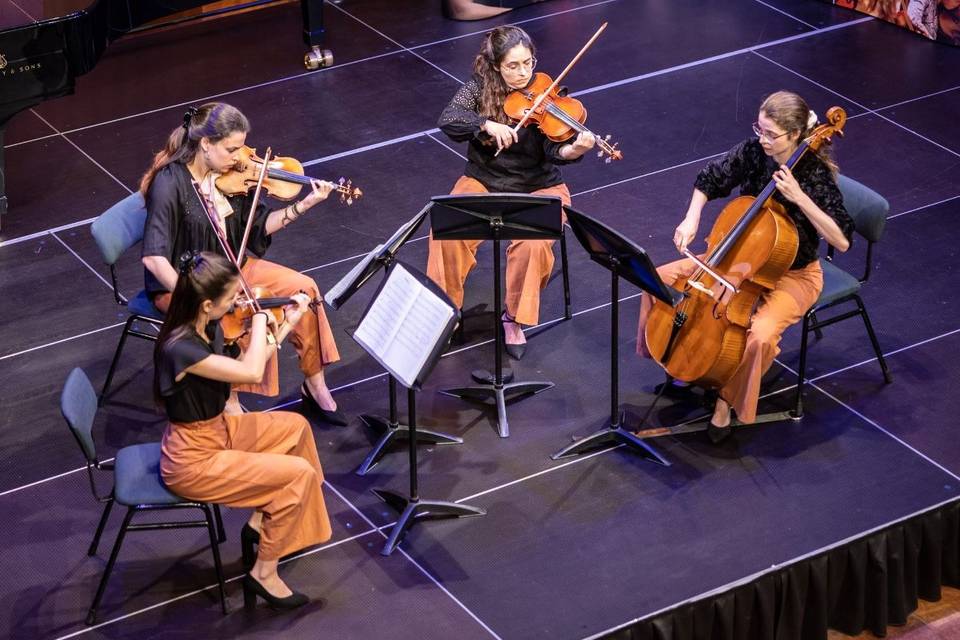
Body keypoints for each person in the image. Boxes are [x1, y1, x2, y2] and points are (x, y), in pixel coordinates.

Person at [636, 91, 855, 443]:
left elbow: (842, 240)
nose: (763, 139)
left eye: (771, 134)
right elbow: (709, 178)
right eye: (760, 129)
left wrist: (800, 197)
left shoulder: (814, 176)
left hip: (793, 274)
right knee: (658, 279)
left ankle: (726, 401)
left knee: (761, 335)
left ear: (796, 134)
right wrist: (691, 219)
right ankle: (675, 360)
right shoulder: (754, 151)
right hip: (735, 257)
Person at [141, 102, 345, 425]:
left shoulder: (229, 180)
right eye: (231, 149)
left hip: (233, 269)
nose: (239, 159)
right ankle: (230, 400)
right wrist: (196, 296)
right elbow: (154, 259)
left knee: (305, 288)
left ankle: (314, 383)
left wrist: (305, 203)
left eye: (240, 148)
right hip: (185, 284)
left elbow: (260, 225)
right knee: (244, 311)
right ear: (205, 144)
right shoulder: (170, 183)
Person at [155, 251, 331, 610]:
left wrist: (288, 321)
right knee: (298, 476)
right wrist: (264, 322)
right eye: (232, 297)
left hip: (217, 431)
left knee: (295, 428)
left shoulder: (205, 327)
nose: (239, 301)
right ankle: (263, 574)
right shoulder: (181, 348)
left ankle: (262, 523)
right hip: (192, 459)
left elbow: (242, 368)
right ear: (207, 304)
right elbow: (251, 374)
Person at [427, 25, 595, 359]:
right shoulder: (478, 88)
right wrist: (485, 124)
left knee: (534, 244)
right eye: (512, 66)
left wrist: (574, 151)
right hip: (484, 179)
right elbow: (449, 118)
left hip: (539, 185)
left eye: (528, 63)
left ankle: (514, 318)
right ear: (496, 66)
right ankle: (445, 312)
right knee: (446, 232)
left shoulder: (546, 96)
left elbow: (554, 151)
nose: (523, 74)